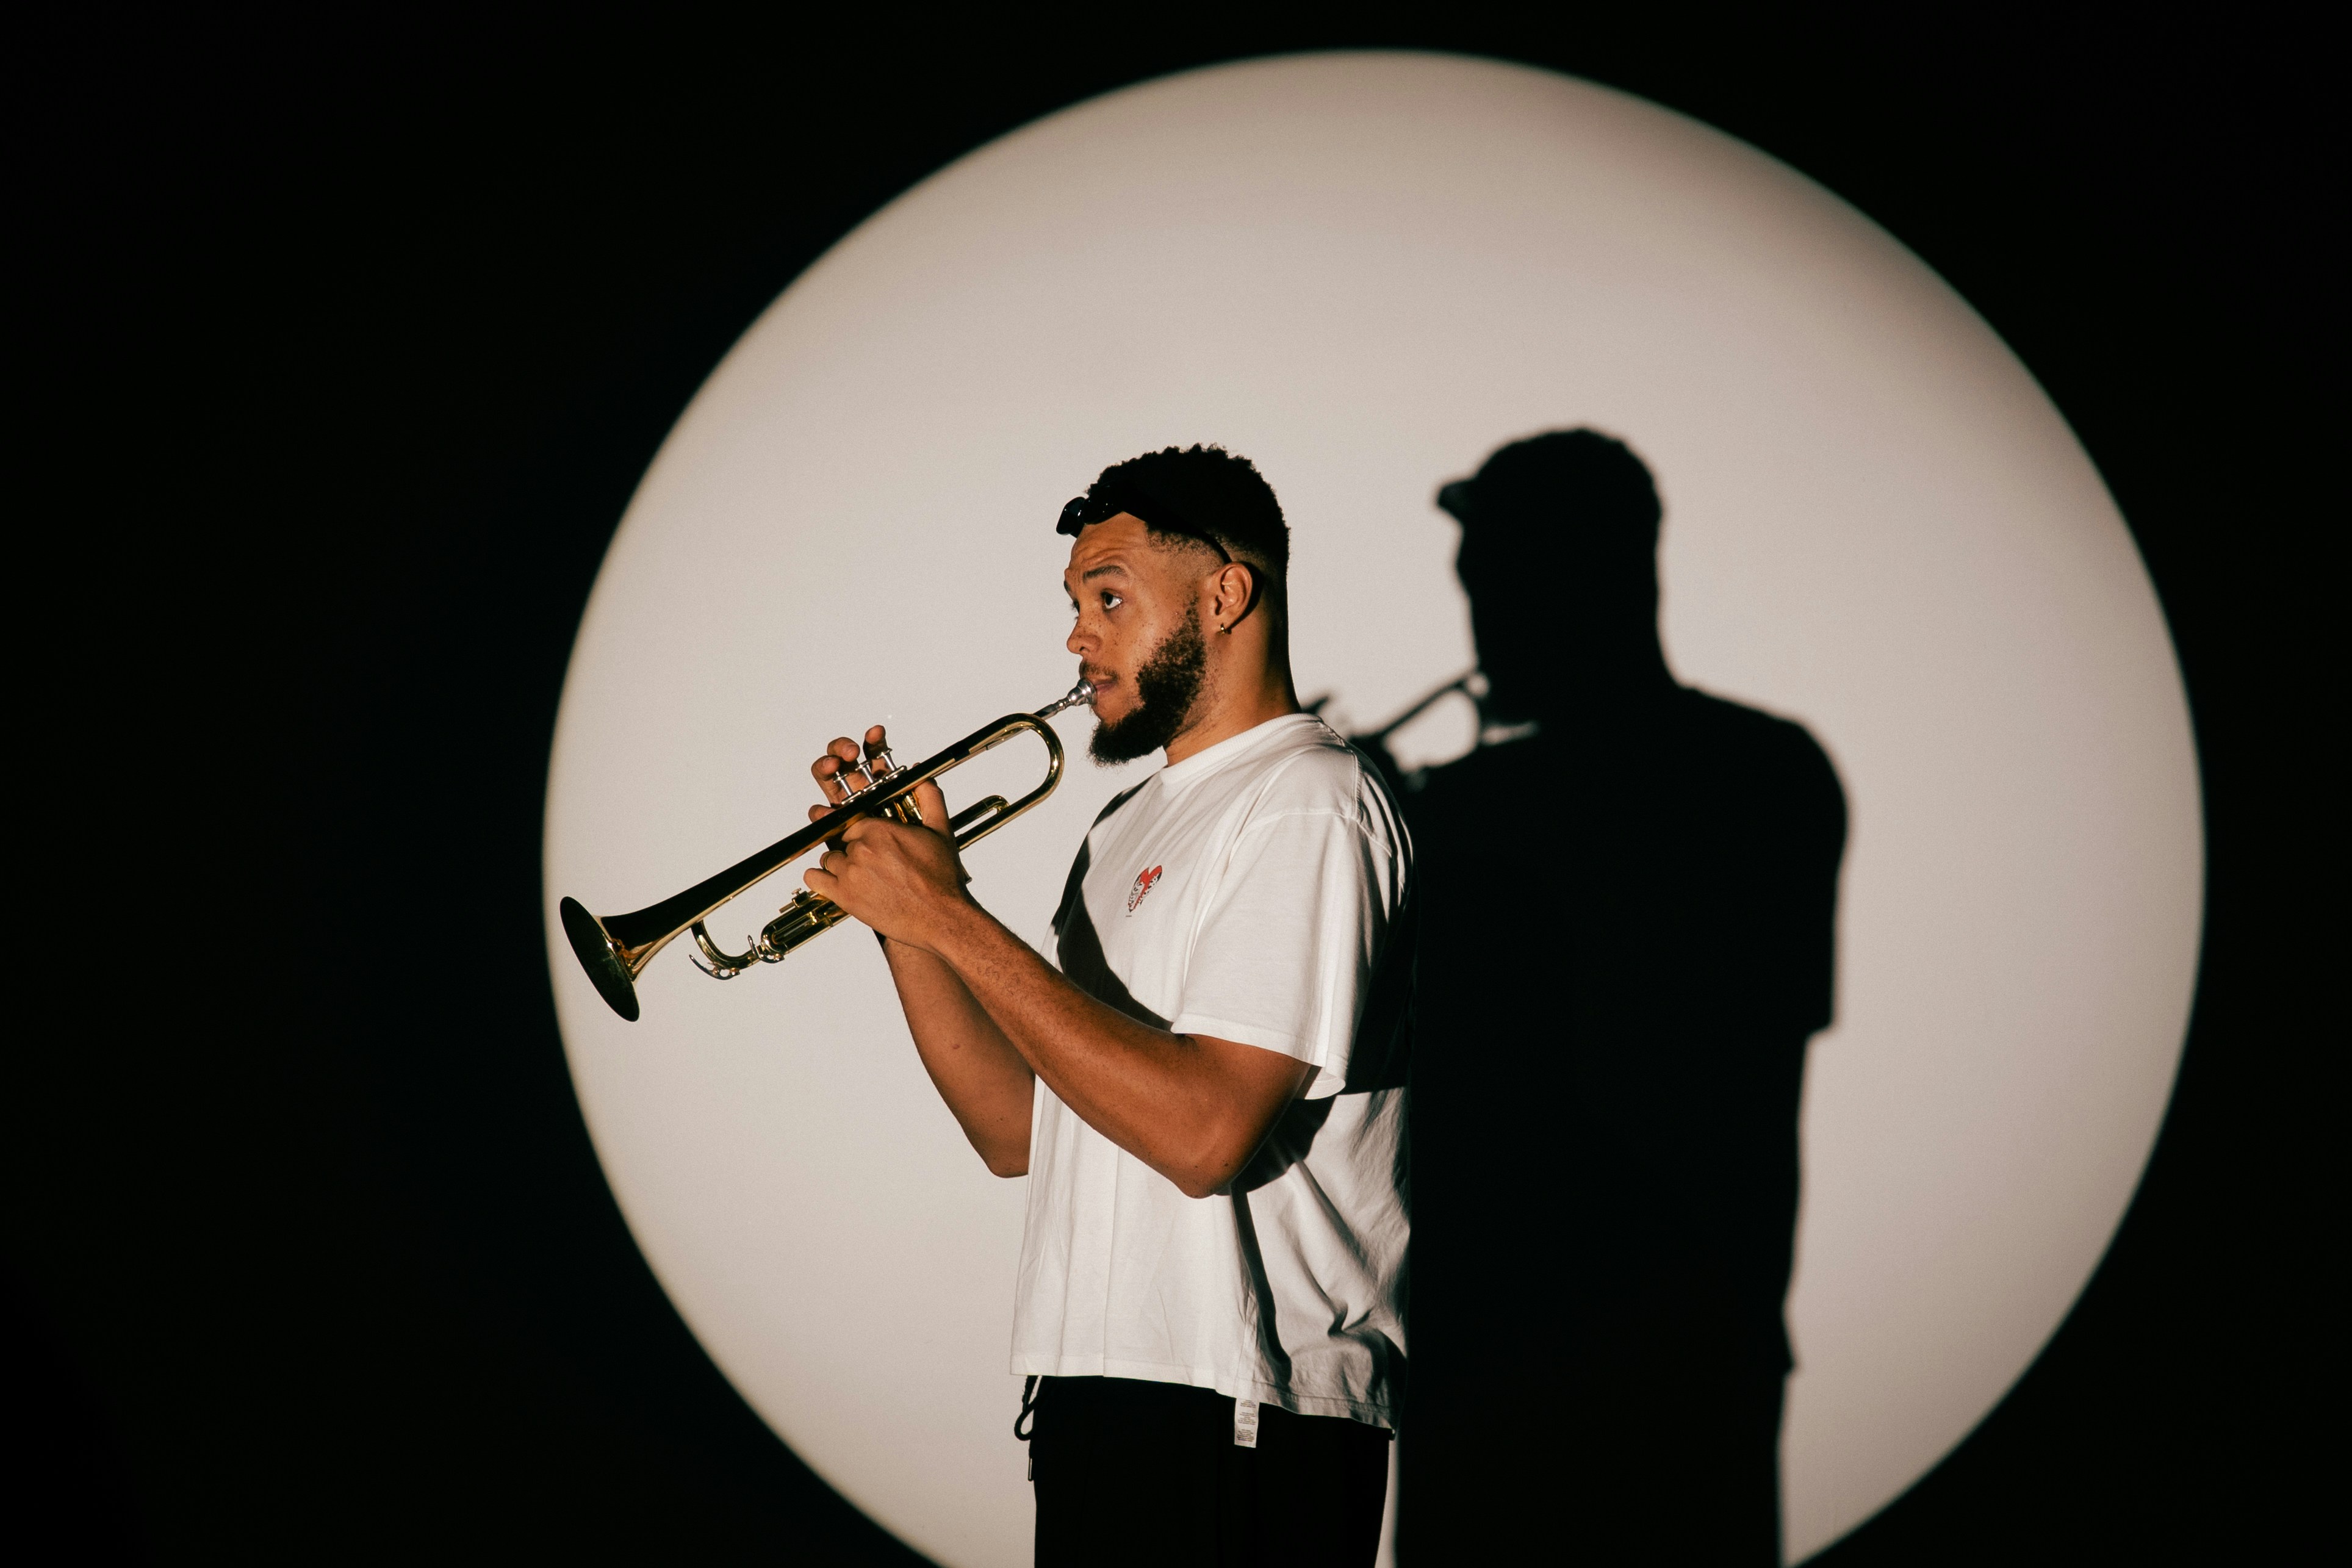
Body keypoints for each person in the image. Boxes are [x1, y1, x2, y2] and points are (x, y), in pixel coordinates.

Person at [801, 445, 1412, 1567]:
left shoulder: (1308, 800)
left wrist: (951, 917)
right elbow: (1013, 1130)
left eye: (1111, 595)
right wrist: (909, 921)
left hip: (1242, 1406)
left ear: (1226, 595)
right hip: (1098, 1391)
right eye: (1077, 602)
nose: (1078, 636)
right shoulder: (1122, 825)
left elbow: (1204, 1133)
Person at [1397, 431, 1846, 1564]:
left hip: (1520, 1360)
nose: (1483, 618)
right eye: (1475, 584)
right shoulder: (1772, 770)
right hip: (1689, 1350)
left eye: (1502, 581)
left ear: (1598, 580)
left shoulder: (1461, 816)